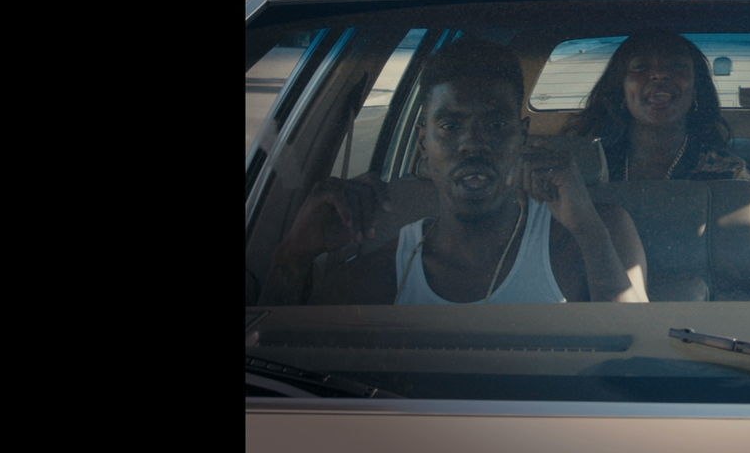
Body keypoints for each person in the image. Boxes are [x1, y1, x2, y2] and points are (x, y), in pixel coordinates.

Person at [267, 38, 649, 305]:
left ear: (522, 136)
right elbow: (285, 362)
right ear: (423, 143)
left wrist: (587, 229)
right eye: (450, 126)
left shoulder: (596, 230)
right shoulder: (384, 271)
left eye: (495, 125)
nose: (473, 144)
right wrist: (292, 257)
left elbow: (640, 355)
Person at [567, 31, 750, 183]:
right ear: (621, 90)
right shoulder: (583, 167)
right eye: (641, 67)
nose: (659, 74)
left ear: (696, 90)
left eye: (677, 65)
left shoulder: (728, 172)